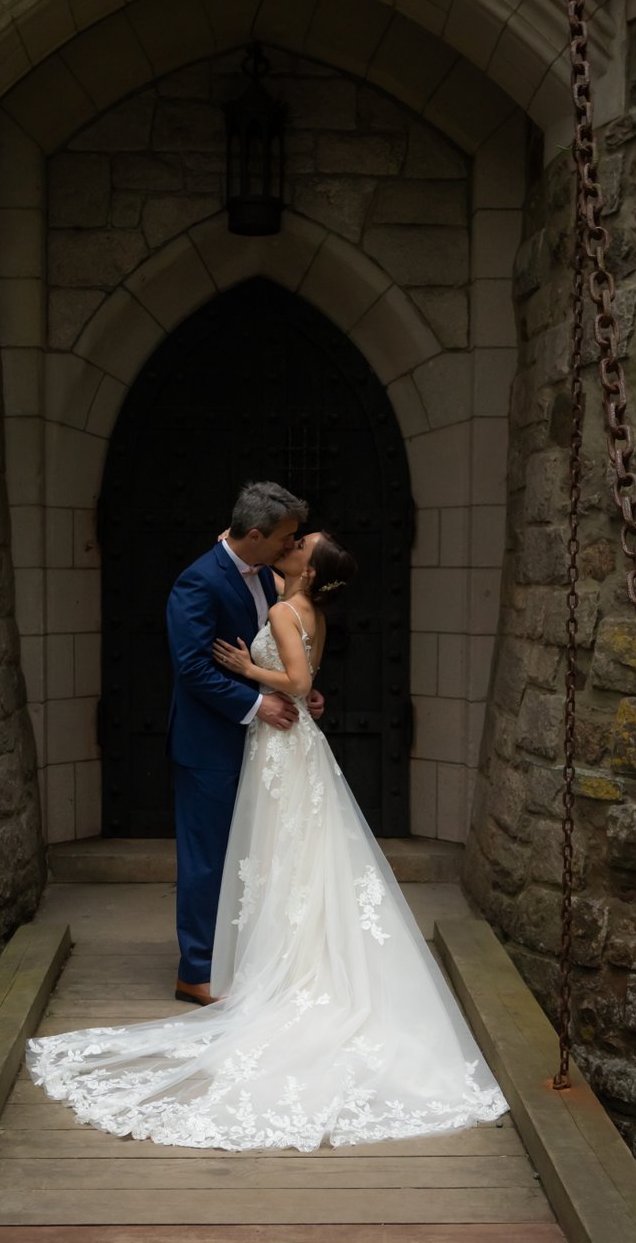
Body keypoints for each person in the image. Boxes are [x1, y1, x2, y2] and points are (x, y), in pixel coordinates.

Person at [27, 530, 508, 1151]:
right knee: (291, 855)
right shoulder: (275, 593)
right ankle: (258, 958)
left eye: (304, 542)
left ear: (307, 567)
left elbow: (296, 675)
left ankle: (273, 968)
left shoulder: (284, 605)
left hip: (281, 741)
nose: (296, 541)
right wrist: (287, 686)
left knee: (281, 853)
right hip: (284, 740)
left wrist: (256, 674)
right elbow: (295, 670)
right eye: (293, 533)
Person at [163, 481, 324, 1008]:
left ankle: (241, 956)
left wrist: (300, 692)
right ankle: (198, 972)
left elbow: (275, 653)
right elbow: (191, 669)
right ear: (255, 534)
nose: (290, 545)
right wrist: (257, 706)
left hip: (259, 744)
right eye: (286, 536)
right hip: (210, 744)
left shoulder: (266, 574)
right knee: (207, 859)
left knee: (247, 857)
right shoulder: (198, 582)